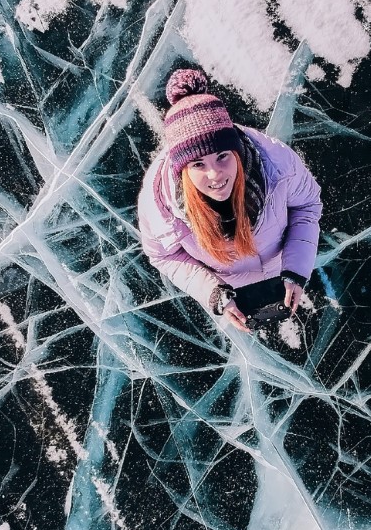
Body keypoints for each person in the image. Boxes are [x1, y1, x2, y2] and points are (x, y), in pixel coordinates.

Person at [137, 69, 323, 333]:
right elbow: (163, 255)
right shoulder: (159, 206)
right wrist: (213, 293)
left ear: (236, 150)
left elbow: (306, 206)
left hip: (286, 268)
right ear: (183, 170)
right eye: (198, 164)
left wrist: (296, 269)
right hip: (233, 292)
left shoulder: (279, 167)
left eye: (222, 155)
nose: (215, 175)